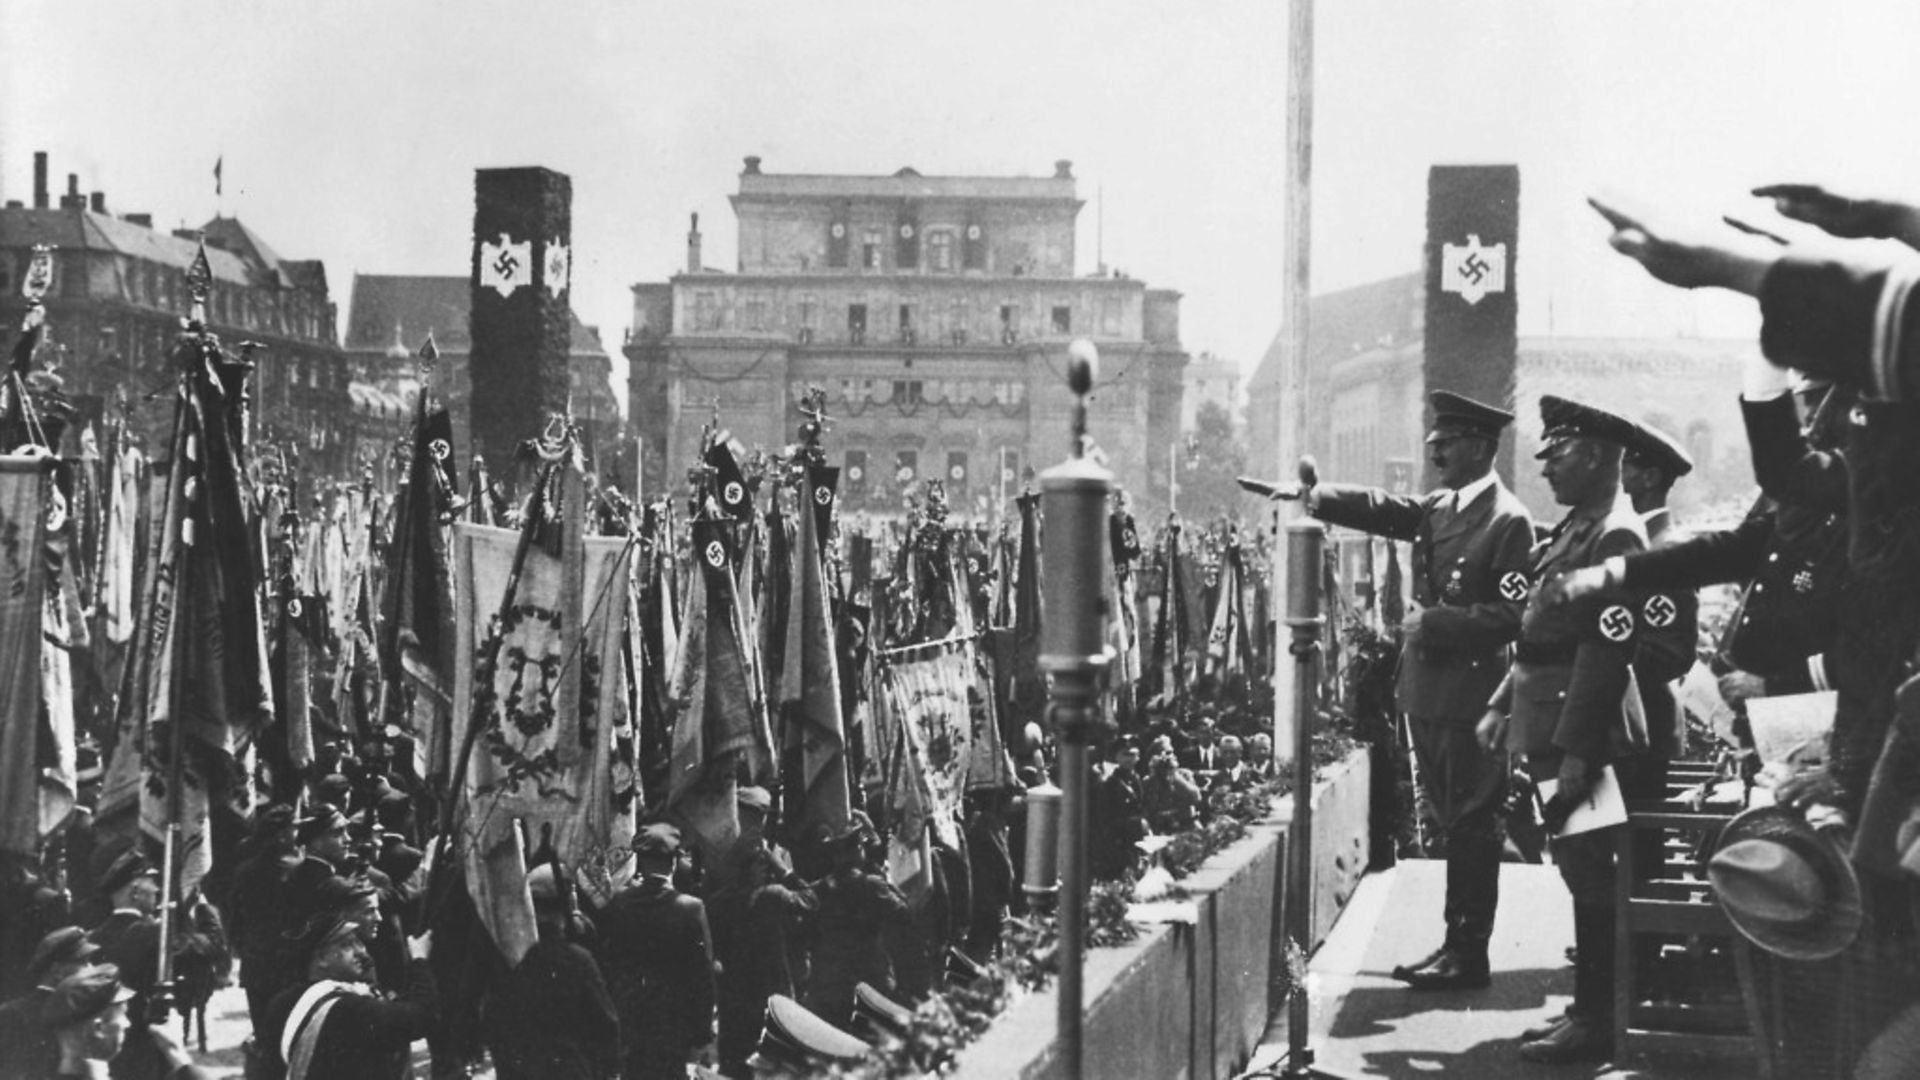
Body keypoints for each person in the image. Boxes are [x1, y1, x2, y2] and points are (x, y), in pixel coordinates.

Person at [1264, 389, 1535, 992]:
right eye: (1435, 442)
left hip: (1472, 699)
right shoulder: (1441, 507)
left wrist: (1433, 623)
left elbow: (1514, 616)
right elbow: (1386, 508)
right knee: (1452, 824)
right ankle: (1454, 944)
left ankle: (1468, 951)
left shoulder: (1507, 520)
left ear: (1482, 448)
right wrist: (1318, 496)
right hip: (1431, 693)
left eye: (1448, 443)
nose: (1434, 451)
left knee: (1472, 825)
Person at [1479, 395, 1649, 1063]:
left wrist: (1579, 753)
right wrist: (1502, 703)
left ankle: (1600, 1024)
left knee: (1593, 875)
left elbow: (1606, 649)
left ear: (1603, 457)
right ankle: (1588, 1012)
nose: (1546, 469)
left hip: (1585, 735)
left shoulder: (1615, 534)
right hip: (1552, 722)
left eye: (1562, 455)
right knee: (1579, 870)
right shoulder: (1579, 528)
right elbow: (1540, 637)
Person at [708, 787, 816, 1079]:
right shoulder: (773, 895)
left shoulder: (718, 902)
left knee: (735, 1066)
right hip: (772, 997)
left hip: (734, 1000)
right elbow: (811, 901)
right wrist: (783, 869)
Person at [596, 824, 715, 1079]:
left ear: (640, 862)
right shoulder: (691, 909)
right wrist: (702, 1033)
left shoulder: (619, 902)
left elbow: (608, 962)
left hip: (630, 1020)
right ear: (673, 863)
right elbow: (702, 975)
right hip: (673, 1026)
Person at [481, 865, 619, 1080]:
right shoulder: (579, 960)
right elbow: (606, 1023)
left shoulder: (510, 958)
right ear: (567, 907)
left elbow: (492, 1023)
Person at [262, 910, 437, 1080]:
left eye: (358, 942)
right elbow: (421, 1016)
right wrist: (419, 960)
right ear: (321, 958)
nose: (360, 951)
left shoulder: (281, 1002)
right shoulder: (349, 1007)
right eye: (346, 944)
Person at [0, 927, 101, 1080]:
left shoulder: (83, 1011)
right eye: (83, 962)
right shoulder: (14, 1014)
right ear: (57, 970)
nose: (91, 968)